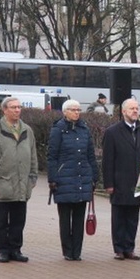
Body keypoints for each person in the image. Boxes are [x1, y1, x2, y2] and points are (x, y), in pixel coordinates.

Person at [0, 97, 38, 263]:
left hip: (22, 183)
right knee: (1, 221)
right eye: (13, 107)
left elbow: (33, 154)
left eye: (19, 107)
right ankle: (3, 250)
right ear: (4, 110)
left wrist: (33, 177)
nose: (17, 110)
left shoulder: (27, 130)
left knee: (18, 220)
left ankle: (16, 249)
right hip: (2, 183)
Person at [47, 100, 99, 261]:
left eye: (78, 110)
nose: (77, 112)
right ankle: (67, 251)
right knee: (65, 218)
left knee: (79, 217)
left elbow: (90, 155)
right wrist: (53, 178)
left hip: (82, 177)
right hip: (64, 179)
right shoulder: (58, 130)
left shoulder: (84, 129)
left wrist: (94, 176)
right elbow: (52, 156)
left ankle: (77, 251)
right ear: (65, 112)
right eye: (73, 110)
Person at [103, 98, 140, 261]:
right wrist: (108, 183)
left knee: (133, 217)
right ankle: (118, 248)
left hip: (138, 181)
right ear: (123, 112)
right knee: (119, 217)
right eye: (131, 109)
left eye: (137, 108)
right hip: (119, 181)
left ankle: (129, 248)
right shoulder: (113, 132)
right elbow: (107, 160)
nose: (135, 111)